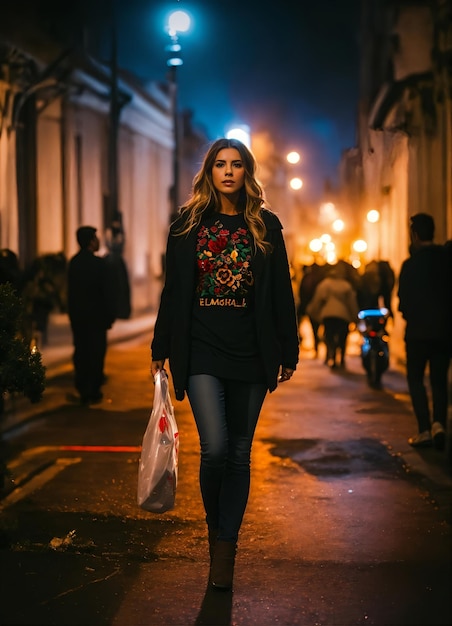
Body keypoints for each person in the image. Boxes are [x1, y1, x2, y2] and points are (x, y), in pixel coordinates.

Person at [150, 138, 299, 591]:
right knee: (215, 447)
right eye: (220, 164)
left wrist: (287, 350)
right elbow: (174, 290)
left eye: (236, 165)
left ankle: (225, 545)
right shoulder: (188, 223)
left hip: (251, 354)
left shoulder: (266, 225)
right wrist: (160, 345)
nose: (228, 172)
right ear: (210, 172)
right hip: (201, 349)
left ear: (247, 172)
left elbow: (281, 292)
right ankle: (217, 533)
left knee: (239, 452)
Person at [397, 213, 451, 450]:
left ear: (415, 235)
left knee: (416, 380)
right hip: (444, 332)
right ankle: (440, 423)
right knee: (439, 380)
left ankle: (424, 430)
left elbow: (403, 301)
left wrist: (411, 315)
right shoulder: (446, 260)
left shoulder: (410, 265)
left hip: (417, 333)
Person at [67, 226, 116, 405]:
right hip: (97, 319)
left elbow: (71, 294)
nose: (98, 241)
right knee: (96, 352)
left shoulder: (74, 263)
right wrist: (110, 316)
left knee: (81, 351)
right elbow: (107, 292)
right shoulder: (99, 264)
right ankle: (93, 389)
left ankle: (82, 387)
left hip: (79, 318)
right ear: (90, 241)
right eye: (95, 238)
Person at [306, 262, 359, 369]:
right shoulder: (346, 285)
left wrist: (312, 311)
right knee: (342, 337)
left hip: (328, 315)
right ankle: (342, 358)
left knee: (329, 336)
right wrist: (355, 316)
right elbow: (351, 303)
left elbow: (317, 300)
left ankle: (332, 356)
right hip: (343, 315)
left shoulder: (325, 284)